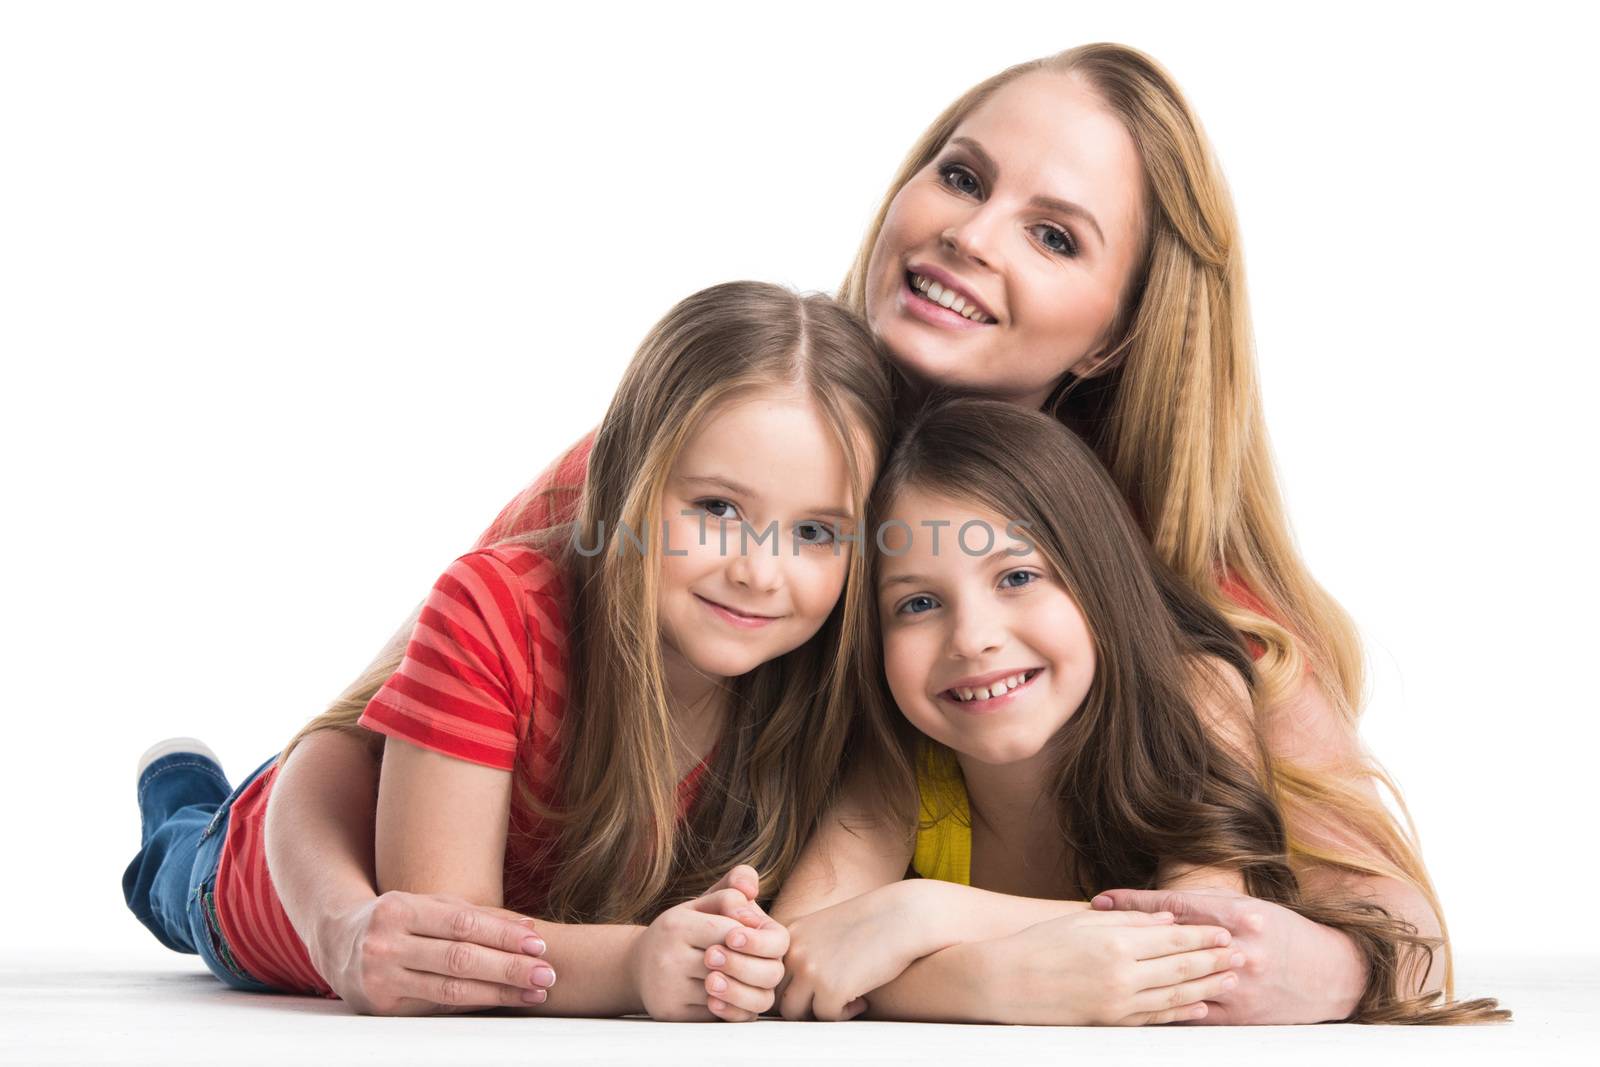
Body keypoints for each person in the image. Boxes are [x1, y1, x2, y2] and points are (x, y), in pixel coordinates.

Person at [252, 42, 1463, 1022]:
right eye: (962, 175)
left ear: (1113, 336)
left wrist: (1336, 967)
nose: (972, 235)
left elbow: (1402, 934)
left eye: (1054, 235)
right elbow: (343, 736)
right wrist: (341, 925)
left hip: (655, 931)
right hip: (492, 893)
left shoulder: (1167, 579)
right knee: (206, 833)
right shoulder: (716, 442)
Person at [123, 281, 896, 1019]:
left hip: (424, 758)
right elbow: (441, 949)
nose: (758, 571)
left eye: (815, 532)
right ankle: (180, 797)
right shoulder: (497, 610)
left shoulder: (817, 677)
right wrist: (634, 964)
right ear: (627, 475)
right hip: (261, 874)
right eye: (717, 508)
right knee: (181, 861)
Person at [768, 396, 1505, 1025]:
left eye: (1019, 575)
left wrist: (925, 918)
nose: (974, 638)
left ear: (1100, 581)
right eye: (918, 603)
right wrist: (992, 979)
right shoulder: (907, 760)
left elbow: (1195, 941)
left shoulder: (1196, 693)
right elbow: (802, 954)